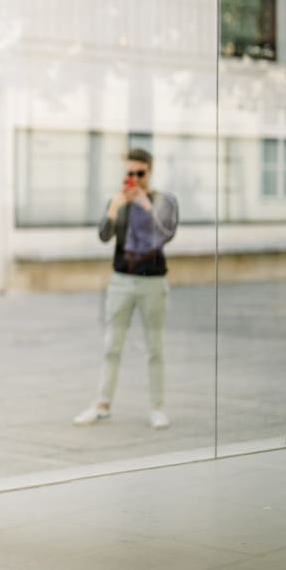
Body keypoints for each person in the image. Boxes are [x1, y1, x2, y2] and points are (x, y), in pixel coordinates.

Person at [74, 149, 180, 429]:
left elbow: (166, 234)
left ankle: (157, 408)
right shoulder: (117, 201)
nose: (133, 179)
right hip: (121, 281)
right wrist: (113, 209)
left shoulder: (164, 201)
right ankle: (102, 405)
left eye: (139, 173)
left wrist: (147, 205)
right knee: (112, 345)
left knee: (155, 347)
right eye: (129, 173)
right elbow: (103, 236)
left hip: (154, 283)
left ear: (150, 172)